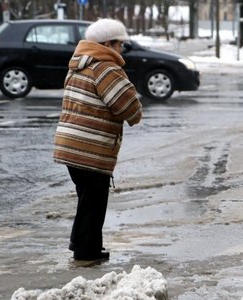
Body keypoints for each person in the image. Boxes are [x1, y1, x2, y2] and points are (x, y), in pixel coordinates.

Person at [53, 18, 142, 261]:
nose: (121, 49)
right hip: (90, 147)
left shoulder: (79, 65)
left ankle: (83, 245)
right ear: (107, 43)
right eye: (119, 44)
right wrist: (135, 103)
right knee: (94, 200)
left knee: (87, 199)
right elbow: (128, 107)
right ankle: (86, 251)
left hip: (71, 146)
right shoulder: (105, 68)